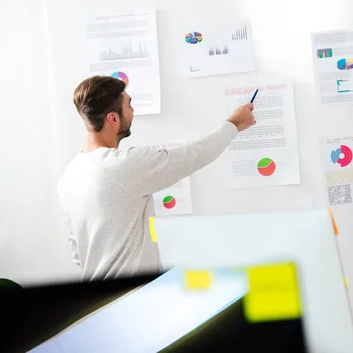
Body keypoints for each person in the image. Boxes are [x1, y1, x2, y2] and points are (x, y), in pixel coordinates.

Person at [57, 75, 256, 281]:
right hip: (129, 297)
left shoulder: (69, 177)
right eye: (129, 105)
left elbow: (77, 255)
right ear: (113, 119)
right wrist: (235, 123)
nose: (133, 111)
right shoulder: (123, 165)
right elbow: (195, 155)